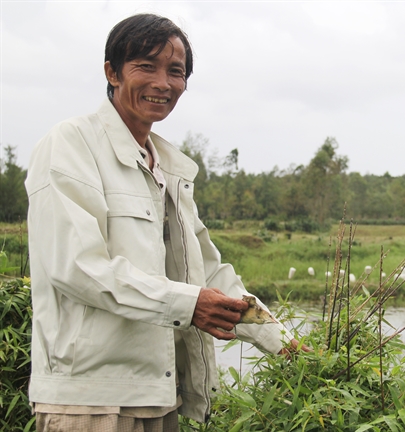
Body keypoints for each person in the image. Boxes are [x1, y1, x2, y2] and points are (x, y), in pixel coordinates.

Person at [25, 13, 308, 432]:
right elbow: (77, 267)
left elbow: (209, 273)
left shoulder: (168, 168)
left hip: (159, 397)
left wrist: (286, 346)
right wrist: (189, 304)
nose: (163, 83)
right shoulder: (70, 144)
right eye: (146, 66)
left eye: (175, 72)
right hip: (87, 402)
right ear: (112, 73)